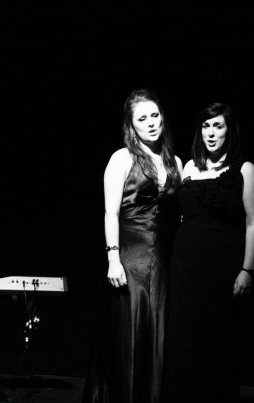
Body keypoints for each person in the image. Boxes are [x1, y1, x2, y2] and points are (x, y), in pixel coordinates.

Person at [83, 89, 182, 403]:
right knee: (131, 336)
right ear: (131, 125)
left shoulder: (176, 162)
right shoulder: (122, 158)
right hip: (130, 259)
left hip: (163, 261)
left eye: (155, 115)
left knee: (159, 336)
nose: (151, 123)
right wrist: (113, 258)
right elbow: (110, 213)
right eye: (142, 118)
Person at [163, 103, 254, 403]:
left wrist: (247, 269)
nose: (211, 132)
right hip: (184, 267)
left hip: (222, 269)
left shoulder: (244, 169)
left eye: (218, 126)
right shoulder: (189, 167)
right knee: (184, 337)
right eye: (206, 126)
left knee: (217, 340)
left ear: (229, 131)